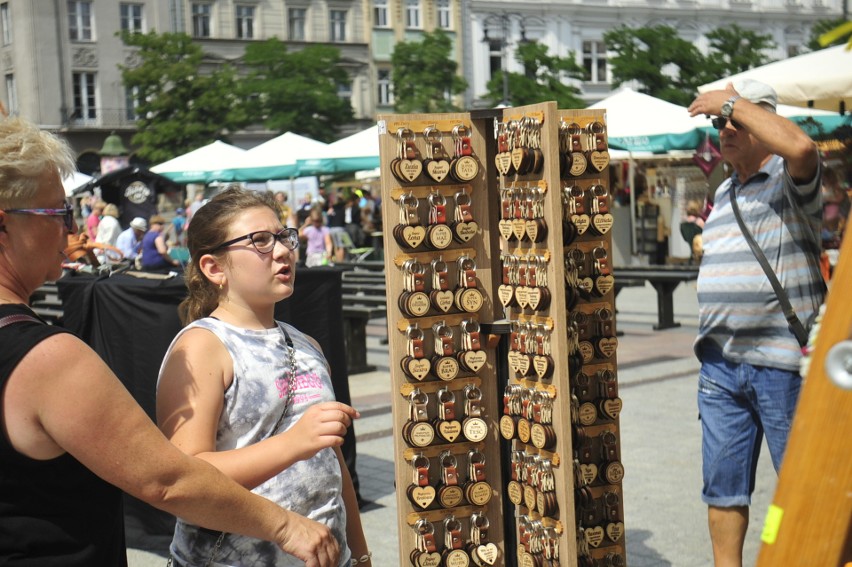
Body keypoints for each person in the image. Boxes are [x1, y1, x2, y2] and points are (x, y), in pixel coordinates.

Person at [0, 117, 340, 566]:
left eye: (283, 237)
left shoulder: (304, 343)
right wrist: (286, 525)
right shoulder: (48, 358)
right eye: (58, 212)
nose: (72, 229)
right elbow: (168, 481)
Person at [156, 187, 368, 567]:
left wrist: (361, 555)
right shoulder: (202, 346)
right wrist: (294, 442)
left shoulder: (307, 346)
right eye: (260, 241)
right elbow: (183, 480)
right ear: (214, 267)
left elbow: (332, 464)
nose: (285, 250)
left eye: (284, 236)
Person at [688, 79, 823, 567]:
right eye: (720, 122)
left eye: (736, 121)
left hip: (782, 361)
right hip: (720, 365)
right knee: (722, 489)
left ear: (764, 124)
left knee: (802, 487)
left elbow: (802, 146)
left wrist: (732, 102)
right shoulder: (723, 191)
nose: (725, 128)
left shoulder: (790, 183)